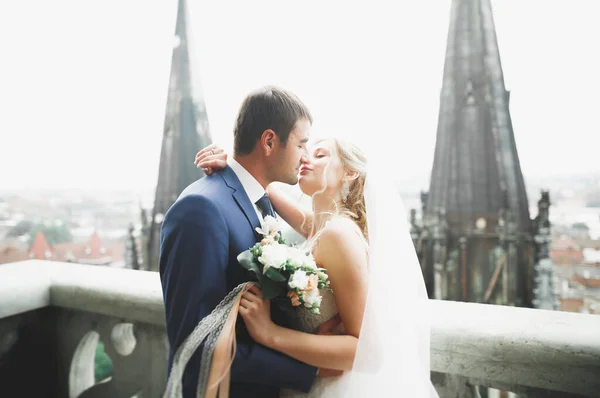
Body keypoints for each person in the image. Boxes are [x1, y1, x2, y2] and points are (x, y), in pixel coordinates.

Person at [194, 136, 439, 397]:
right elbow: (274, 196)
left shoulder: (339, 235)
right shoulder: (323, 229)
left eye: (320, 155)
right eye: (306, 152)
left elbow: (369, 351)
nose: (305, 158)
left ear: (350, 172)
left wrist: (270, 333)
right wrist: (235, 164)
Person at [160, 86, 335, 398]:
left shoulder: (260, 199)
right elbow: (196, 343)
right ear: (269, 141)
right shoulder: (201, 208)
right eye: (301, 144)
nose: (305, 157)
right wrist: (311, 368)